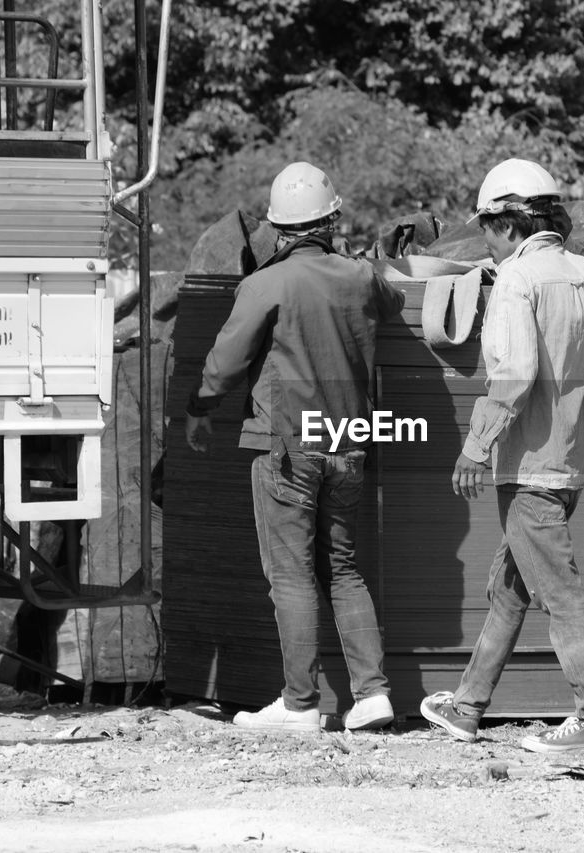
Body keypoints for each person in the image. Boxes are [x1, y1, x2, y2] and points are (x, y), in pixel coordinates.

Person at [185, 162, 405, 734]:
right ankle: (373, 695)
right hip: (350, 441)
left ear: (278, 231)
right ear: (333, 220)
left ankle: (301, 704)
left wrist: (201, 407)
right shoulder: (361, 277)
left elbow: (226, 362)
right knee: (344, 569)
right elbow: (392, 301)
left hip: (289, 446)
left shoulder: (265, 284)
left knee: (292, 576)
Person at [419, 159, 584, 753]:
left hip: (529, 459)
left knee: (558, 590)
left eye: (486, 227)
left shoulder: (516, 280)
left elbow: (514, 374)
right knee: (510, 584)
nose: (484, 238)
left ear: (508, 223)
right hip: (572, 451)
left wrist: (475, 447)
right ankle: (467, 705)